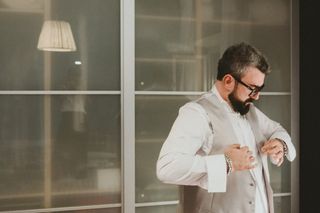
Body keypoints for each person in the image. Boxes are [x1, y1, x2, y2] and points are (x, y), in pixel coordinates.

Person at [156, 42, 296, 213]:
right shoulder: (197, 113)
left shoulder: (249, 110)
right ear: (229, 81)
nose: (257, 96)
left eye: (260, 89)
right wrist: (226, 162)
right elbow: (167, 168)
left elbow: (278, 130)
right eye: (253, 89)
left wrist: (280, 143)